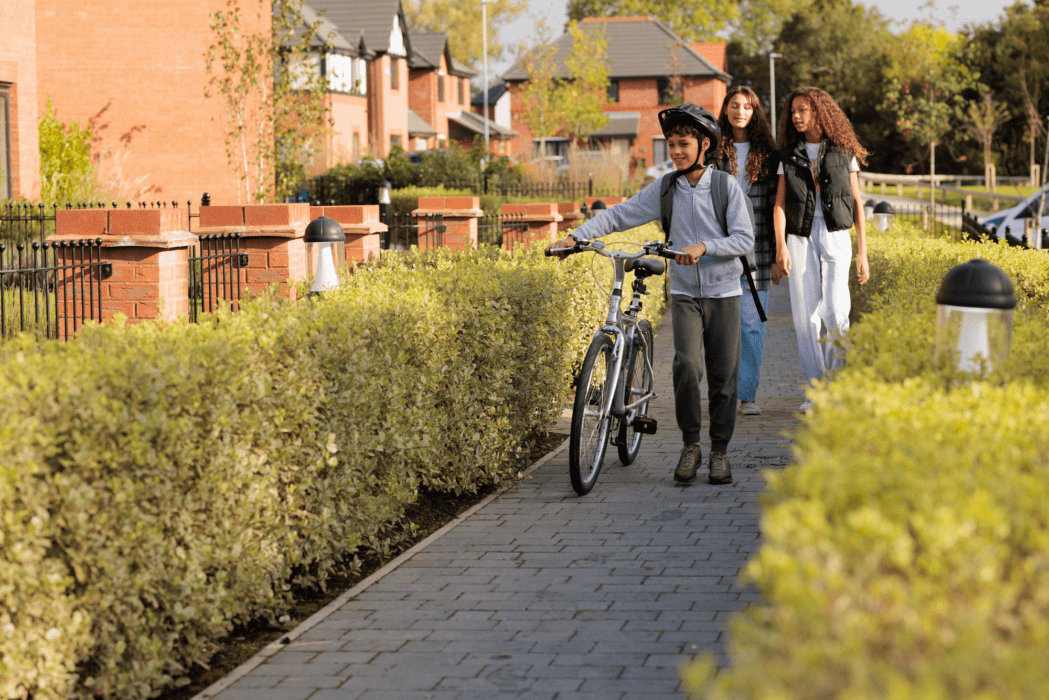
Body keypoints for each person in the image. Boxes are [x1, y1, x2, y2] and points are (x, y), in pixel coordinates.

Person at [546, 104, 754, 485]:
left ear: (704, 145)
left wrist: (704, 247)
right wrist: (575, 237)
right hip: (685, 293)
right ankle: (691, 446)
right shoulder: (666, 188)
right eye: (671, 145)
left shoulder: (726, 187)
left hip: (724, 292)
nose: (676, 152)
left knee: (723, 376)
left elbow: (744, 239)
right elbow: (619, 214)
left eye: (684, 144)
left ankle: (720, 451)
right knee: (686, 367)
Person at [773, 86, 870, 412]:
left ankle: (836, 385)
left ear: (820, 112)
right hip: (799, 237)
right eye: (793, 111)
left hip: (836, 235)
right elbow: (779, 205)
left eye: (803, 110)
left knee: (835, 311)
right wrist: (781, 247)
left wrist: (863, 253)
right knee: (805, 318)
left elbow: (856, 203)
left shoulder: (844, 152)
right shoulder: (787, 155)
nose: (796, 116)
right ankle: (815, 390)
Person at [713, 86, 779, 417]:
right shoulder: (713, 150)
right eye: (735, 105)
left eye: (747, 107)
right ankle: (722, 393)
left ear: (755, 112)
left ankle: (747, 395)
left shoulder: (767, 154)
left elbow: (775, 205)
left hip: (759, 249)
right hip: (719, 248)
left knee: (752, 325)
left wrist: (779, 253)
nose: (741, 111)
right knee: (721, 328)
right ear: (725, 109)